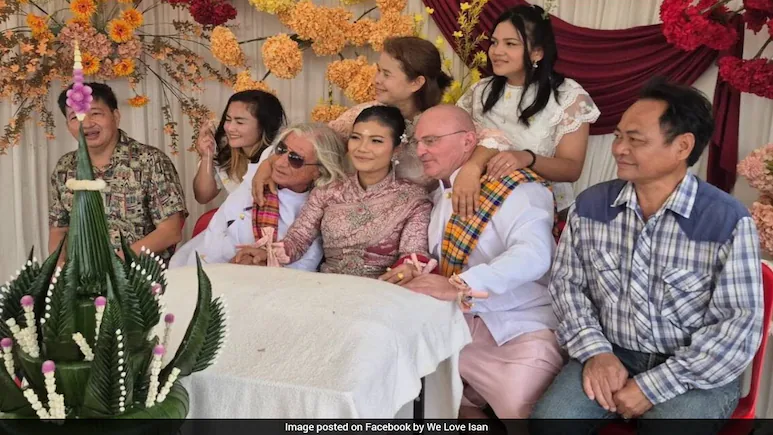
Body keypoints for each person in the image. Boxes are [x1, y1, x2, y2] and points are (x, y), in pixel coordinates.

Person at [530, 79, 763, 431]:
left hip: (696, 370)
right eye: (618, 136)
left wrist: (654, 386)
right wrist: (596, 352)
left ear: (683, 146)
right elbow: (567, 287)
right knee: (550, 423)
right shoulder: (592, 206)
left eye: (635, 139)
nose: (619, 149)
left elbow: (737, 327)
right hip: (612, 350)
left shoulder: (727, 220)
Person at [399, 105, 564, 418]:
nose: (421, 151)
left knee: (520, 412)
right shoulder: (440, 195)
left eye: (431, 140)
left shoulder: (518, 188)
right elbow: (446, 260)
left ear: (468, 141)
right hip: (457, 330)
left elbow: (534, 255)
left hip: (518, 329)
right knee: (425, 402)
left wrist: (462, 284)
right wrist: (420, 270)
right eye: (417, 142)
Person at [250, 36, 512, 218]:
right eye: (378, 71)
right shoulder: (363, 114)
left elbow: (497, 139)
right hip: (354, 215)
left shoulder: (439, 122)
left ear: (416, 83)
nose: (376, 80)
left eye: (386, 74)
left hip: (415, 221)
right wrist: (267, 164)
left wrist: (473, 168)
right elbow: (313, 141)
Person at [248, 106, 432, 280]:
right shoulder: (329, 190)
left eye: (376, 141)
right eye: (356, 137)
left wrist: (408, 269)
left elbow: (413, 253)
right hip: (329, 289)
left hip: (382, 293)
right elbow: (298, 238)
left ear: (396, 149)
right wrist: (269, 253)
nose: (362, 148)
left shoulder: (413, 198)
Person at [456, 5, 600, 216]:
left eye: (510, 44)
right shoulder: (480, 91)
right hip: (482, 204)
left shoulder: (568, 95)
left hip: (539, 210)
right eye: (494, 42)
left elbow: (571, 169)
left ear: (537, 53)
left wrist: (527, 158)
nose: (497, 51)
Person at [170, 122, 346, 270]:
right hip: (188, 265)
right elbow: (274, 153)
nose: (280, 161)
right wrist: (267, 163)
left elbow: (300, 270)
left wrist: (261, 264)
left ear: (319, 171)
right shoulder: (262, 166)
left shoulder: (310, 216)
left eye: (295, 159)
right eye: (281, 149)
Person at [49, 83, 187, 263]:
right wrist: (59, 269)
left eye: (96, 113)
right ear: (68, 125)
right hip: (80, 277)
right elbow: (59, 229)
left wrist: (114, 265)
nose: (87, 123)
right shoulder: (64, 167)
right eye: (75, 117)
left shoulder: (150, 161)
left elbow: (170, 231)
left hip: (139, 276)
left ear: (115, 116)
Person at [193, 90, 287, 204]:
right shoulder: (225, 152)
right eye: (228, 120)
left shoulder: (281, 156)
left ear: (264, 126)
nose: (230, 128)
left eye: (240, 122)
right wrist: (206, 156)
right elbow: (203, 197)